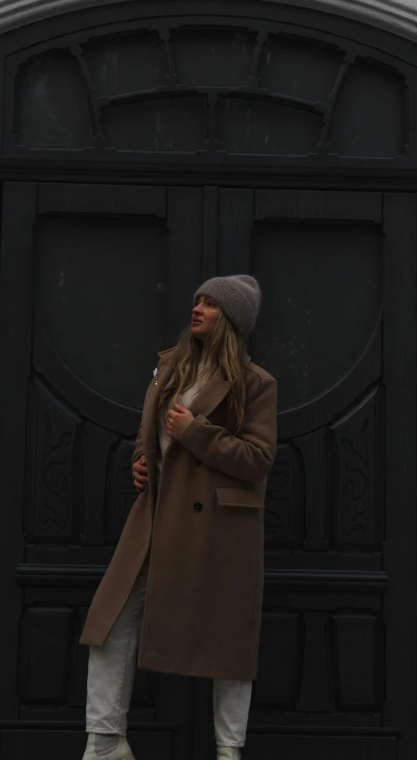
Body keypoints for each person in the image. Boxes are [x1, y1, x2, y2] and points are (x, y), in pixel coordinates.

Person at [79, 275, 278, 760]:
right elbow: (152, 433)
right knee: (110, 620)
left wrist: (196, 433)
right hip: (156, 514)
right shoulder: (171, 369)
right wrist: (142, 459)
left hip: (219, 526)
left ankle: (229, 751)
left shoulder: (256, 383)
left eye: (211, 304)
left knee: (229, 640)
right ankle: (105, 742)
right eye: (198, 301)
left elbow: (257, 459)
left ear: (229, 319)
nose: (198, 309)